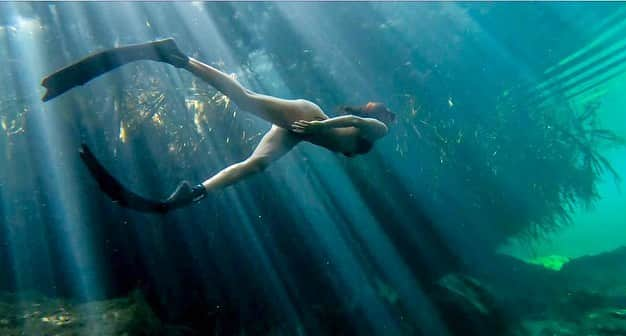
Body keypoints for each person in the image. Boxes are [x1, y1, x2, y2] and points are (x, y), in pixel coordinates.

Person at [41, 38, 396, 213]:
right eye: (388, 115)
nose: (391, 119)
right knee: (244, 99)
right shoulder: (379, 132)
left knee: (255, 166)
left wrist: (314, 134)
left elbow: (347, 124)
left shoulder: (367, 140)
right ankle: (175, 56)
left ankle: (195, 191)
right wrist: (318, 128)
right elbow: (351, 120)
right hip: (309, 119)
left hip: (302, 134)